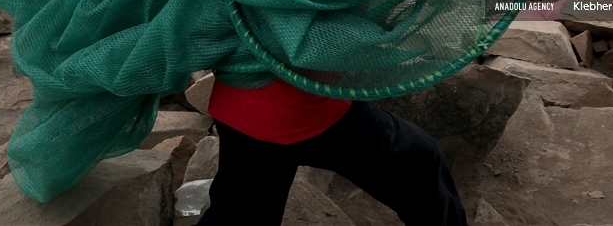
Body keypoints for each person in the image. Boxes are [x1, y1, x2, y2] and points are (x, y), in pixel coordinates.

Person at [197, 77, 467, 225]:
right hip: (307, 113)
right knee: (421, 159)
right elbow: (325, 64)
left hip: (236, 105)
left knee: (238, 213)